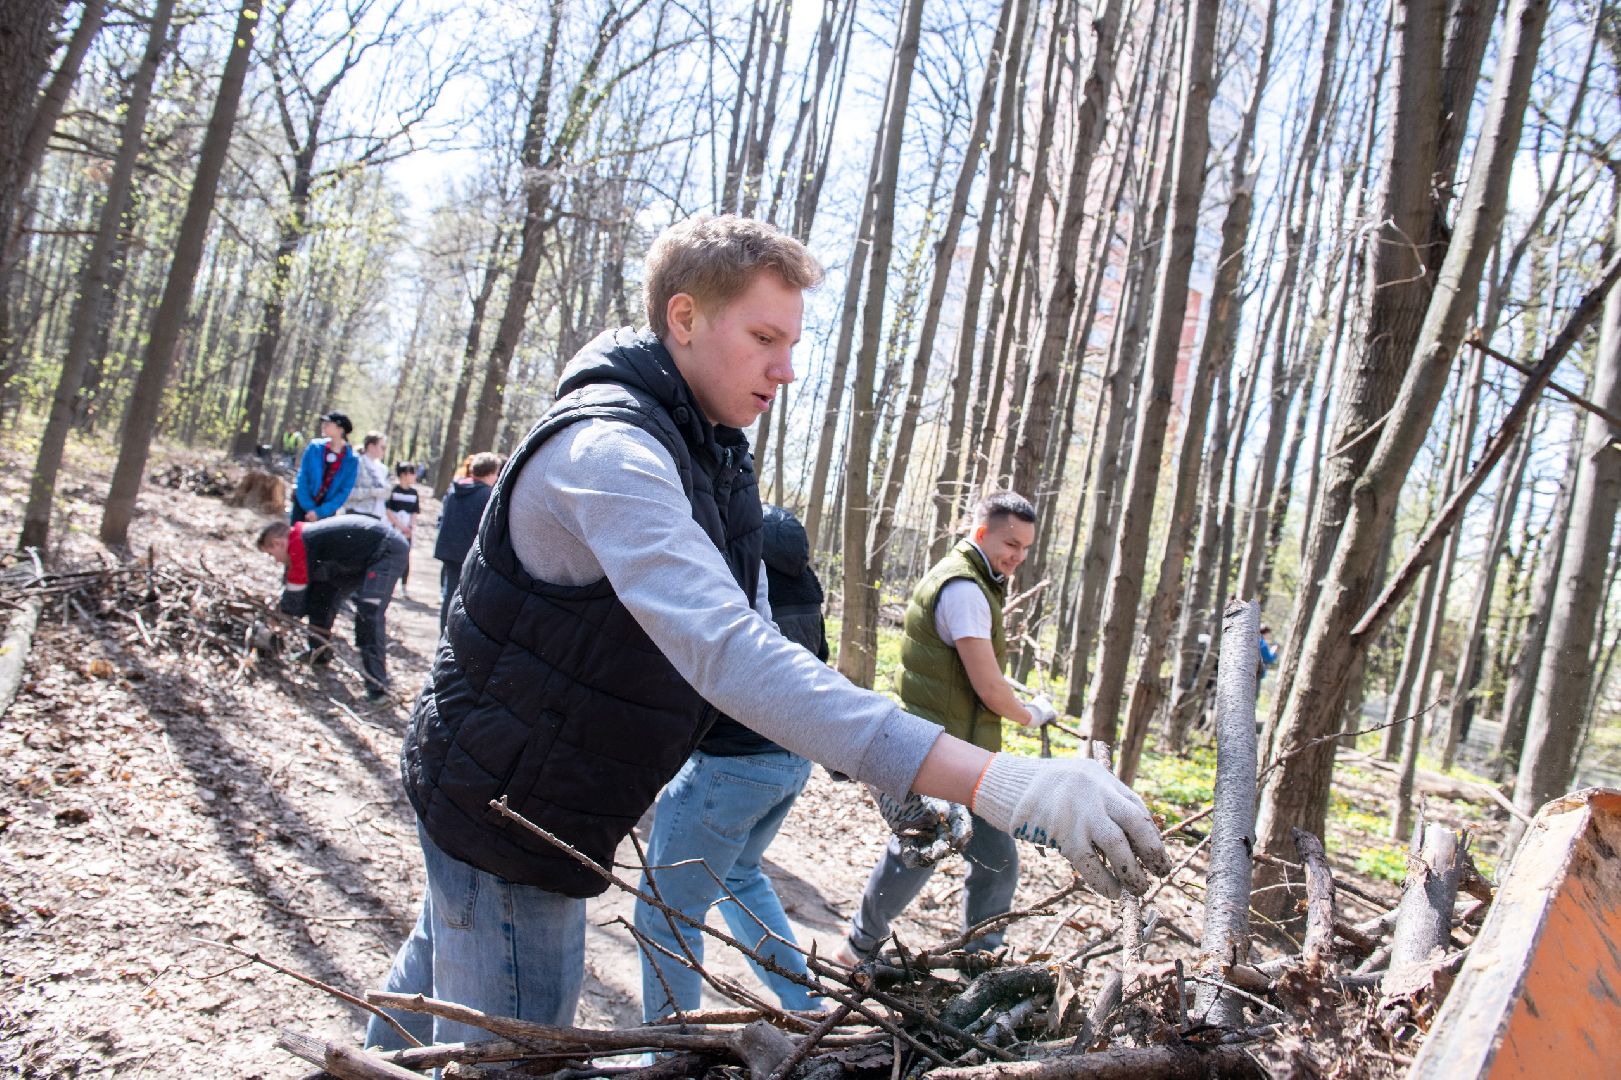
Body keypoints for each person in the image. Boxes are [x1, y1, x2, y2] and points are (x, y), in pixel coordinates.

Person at [363, 215, 1167, 1049]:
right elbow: (725, 652)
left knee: (428, 982)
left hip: (536, 790)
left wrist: (893, 768)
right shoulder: (609, 455)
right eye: (763, 337)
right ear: (683, 318)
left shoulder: (709, 452)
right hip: (504, 811)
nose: (786, 370)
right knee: (512, 1057)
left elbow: (765, 644)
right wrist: (1001, 782)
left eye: (792, 342)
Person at [837, 491, 1058, 964]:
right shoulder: (965, 590)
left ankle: (980, 963)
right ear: (981, 534)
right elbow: (990, 689)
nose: (1017, 556)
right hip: (938, 749)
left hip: (959, 745)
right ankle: (860, 946)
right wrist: (1032, 714)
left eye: (1025, 548)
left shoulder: (974, 580)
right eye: (1010, 543)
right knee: (920, 849)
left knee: (995, 860)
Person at [634, 503, 828, 1022]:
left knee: (666, 916)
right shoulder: (804, 587)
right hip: (789, 759)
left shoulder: (735, 576)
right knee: (739, 877)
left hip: (731, 766)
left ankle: (670, 1055)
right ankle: (810, 1007)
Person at [256, 516, 409, 701]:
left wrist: (281, 617)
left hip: (387, 551)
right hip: (359, 559)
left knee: (368, 615)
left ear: (278, 543)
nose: (277, 561)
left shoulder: (298, 544)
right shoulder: (303, 541)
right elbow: (299, 594)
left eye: (272, 555)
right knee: (321, 596)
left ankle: (378, 688)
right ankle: (319, 654)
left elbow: (294, 593)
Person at [432, 451, 500, 632]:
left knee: (449, 593)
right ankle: (453, 634)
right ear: (492, 472)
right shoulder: (488, 495)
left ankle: (444, 632)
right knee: (465, 598)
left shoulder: (454, 488)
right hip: (468, 554)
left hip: (449, 549)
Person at [290, 412, 357, 523]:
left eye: (328, 423)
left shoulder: (351, 460)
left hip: (326, 513)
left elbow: (344, 491)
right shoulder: (315, 448)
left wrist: (320, 512)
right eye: (323, 423)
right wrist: (309, 508)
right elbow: (303, 477)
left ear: (341, 429)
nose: (324, 426)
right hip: (302, 506)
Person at [386, 462, 421, 595]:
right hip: (394, 527)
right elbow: (388, 510)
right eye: (411, 473)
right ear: (403, 475)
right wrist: (398, 526)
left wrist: (410, 527)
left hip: (407, 529)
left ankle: (404, 585)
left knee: (405, 557)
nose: (414, 476)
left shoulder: (414, 493)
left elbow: (414, 512)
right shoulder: (393, 491)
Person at [345, 432, 391, 519]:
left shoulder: (383, 468)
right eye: (382, 447)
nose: (384, 450)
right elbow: (346, 492)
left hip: (377, 516)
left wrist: (386, 492)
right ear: (371, 446)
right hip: (356, 514)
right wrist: (371, 492)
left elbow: (386, 491)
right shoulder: (356, 464)